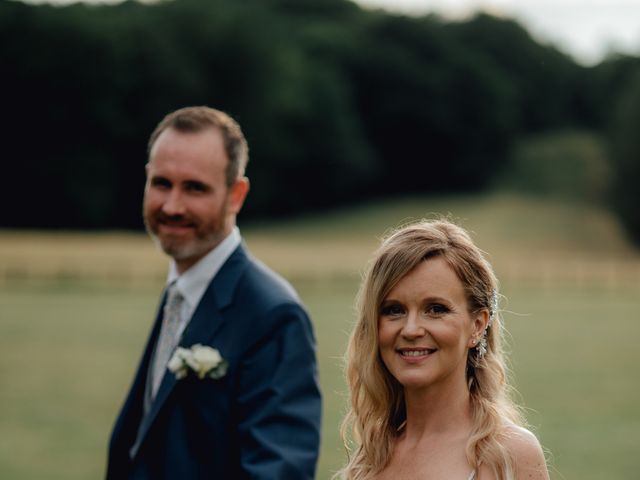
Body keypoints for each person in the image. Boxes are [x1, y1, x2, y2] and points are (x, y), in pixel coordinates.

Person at [106, 106, 321, 479]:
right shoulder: (180, 290)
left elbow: (278, 472)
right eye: (162, 183)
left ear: (236, 195)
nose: (173, 206)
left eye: (194, 188)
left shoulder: (274, 315)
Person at [337, 220, 549, 480]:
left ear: (477, 325)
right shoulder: (372, 456)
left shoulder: (509, 455)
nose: (411, 329)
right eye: (394, 310)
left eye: (436, 309)